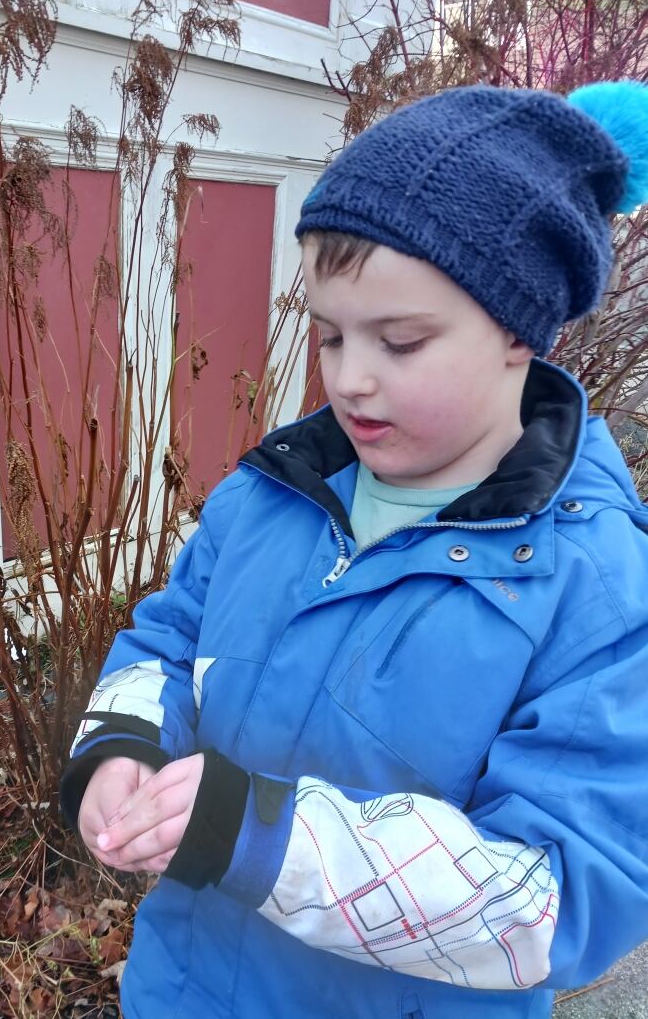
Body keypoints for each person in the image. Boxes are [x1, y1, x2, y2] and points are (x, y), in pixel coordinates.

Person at [60, 80, 648, 1019]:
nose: (349, 378)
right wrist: (123, 745)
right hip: (187, 989)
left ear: (522, 333)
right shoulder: (272, 495)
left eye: (401, 341)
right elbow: (166, 642)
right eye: (330, 336)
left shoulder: (599, 589)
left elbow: (555, 898)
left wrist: (262, 838)